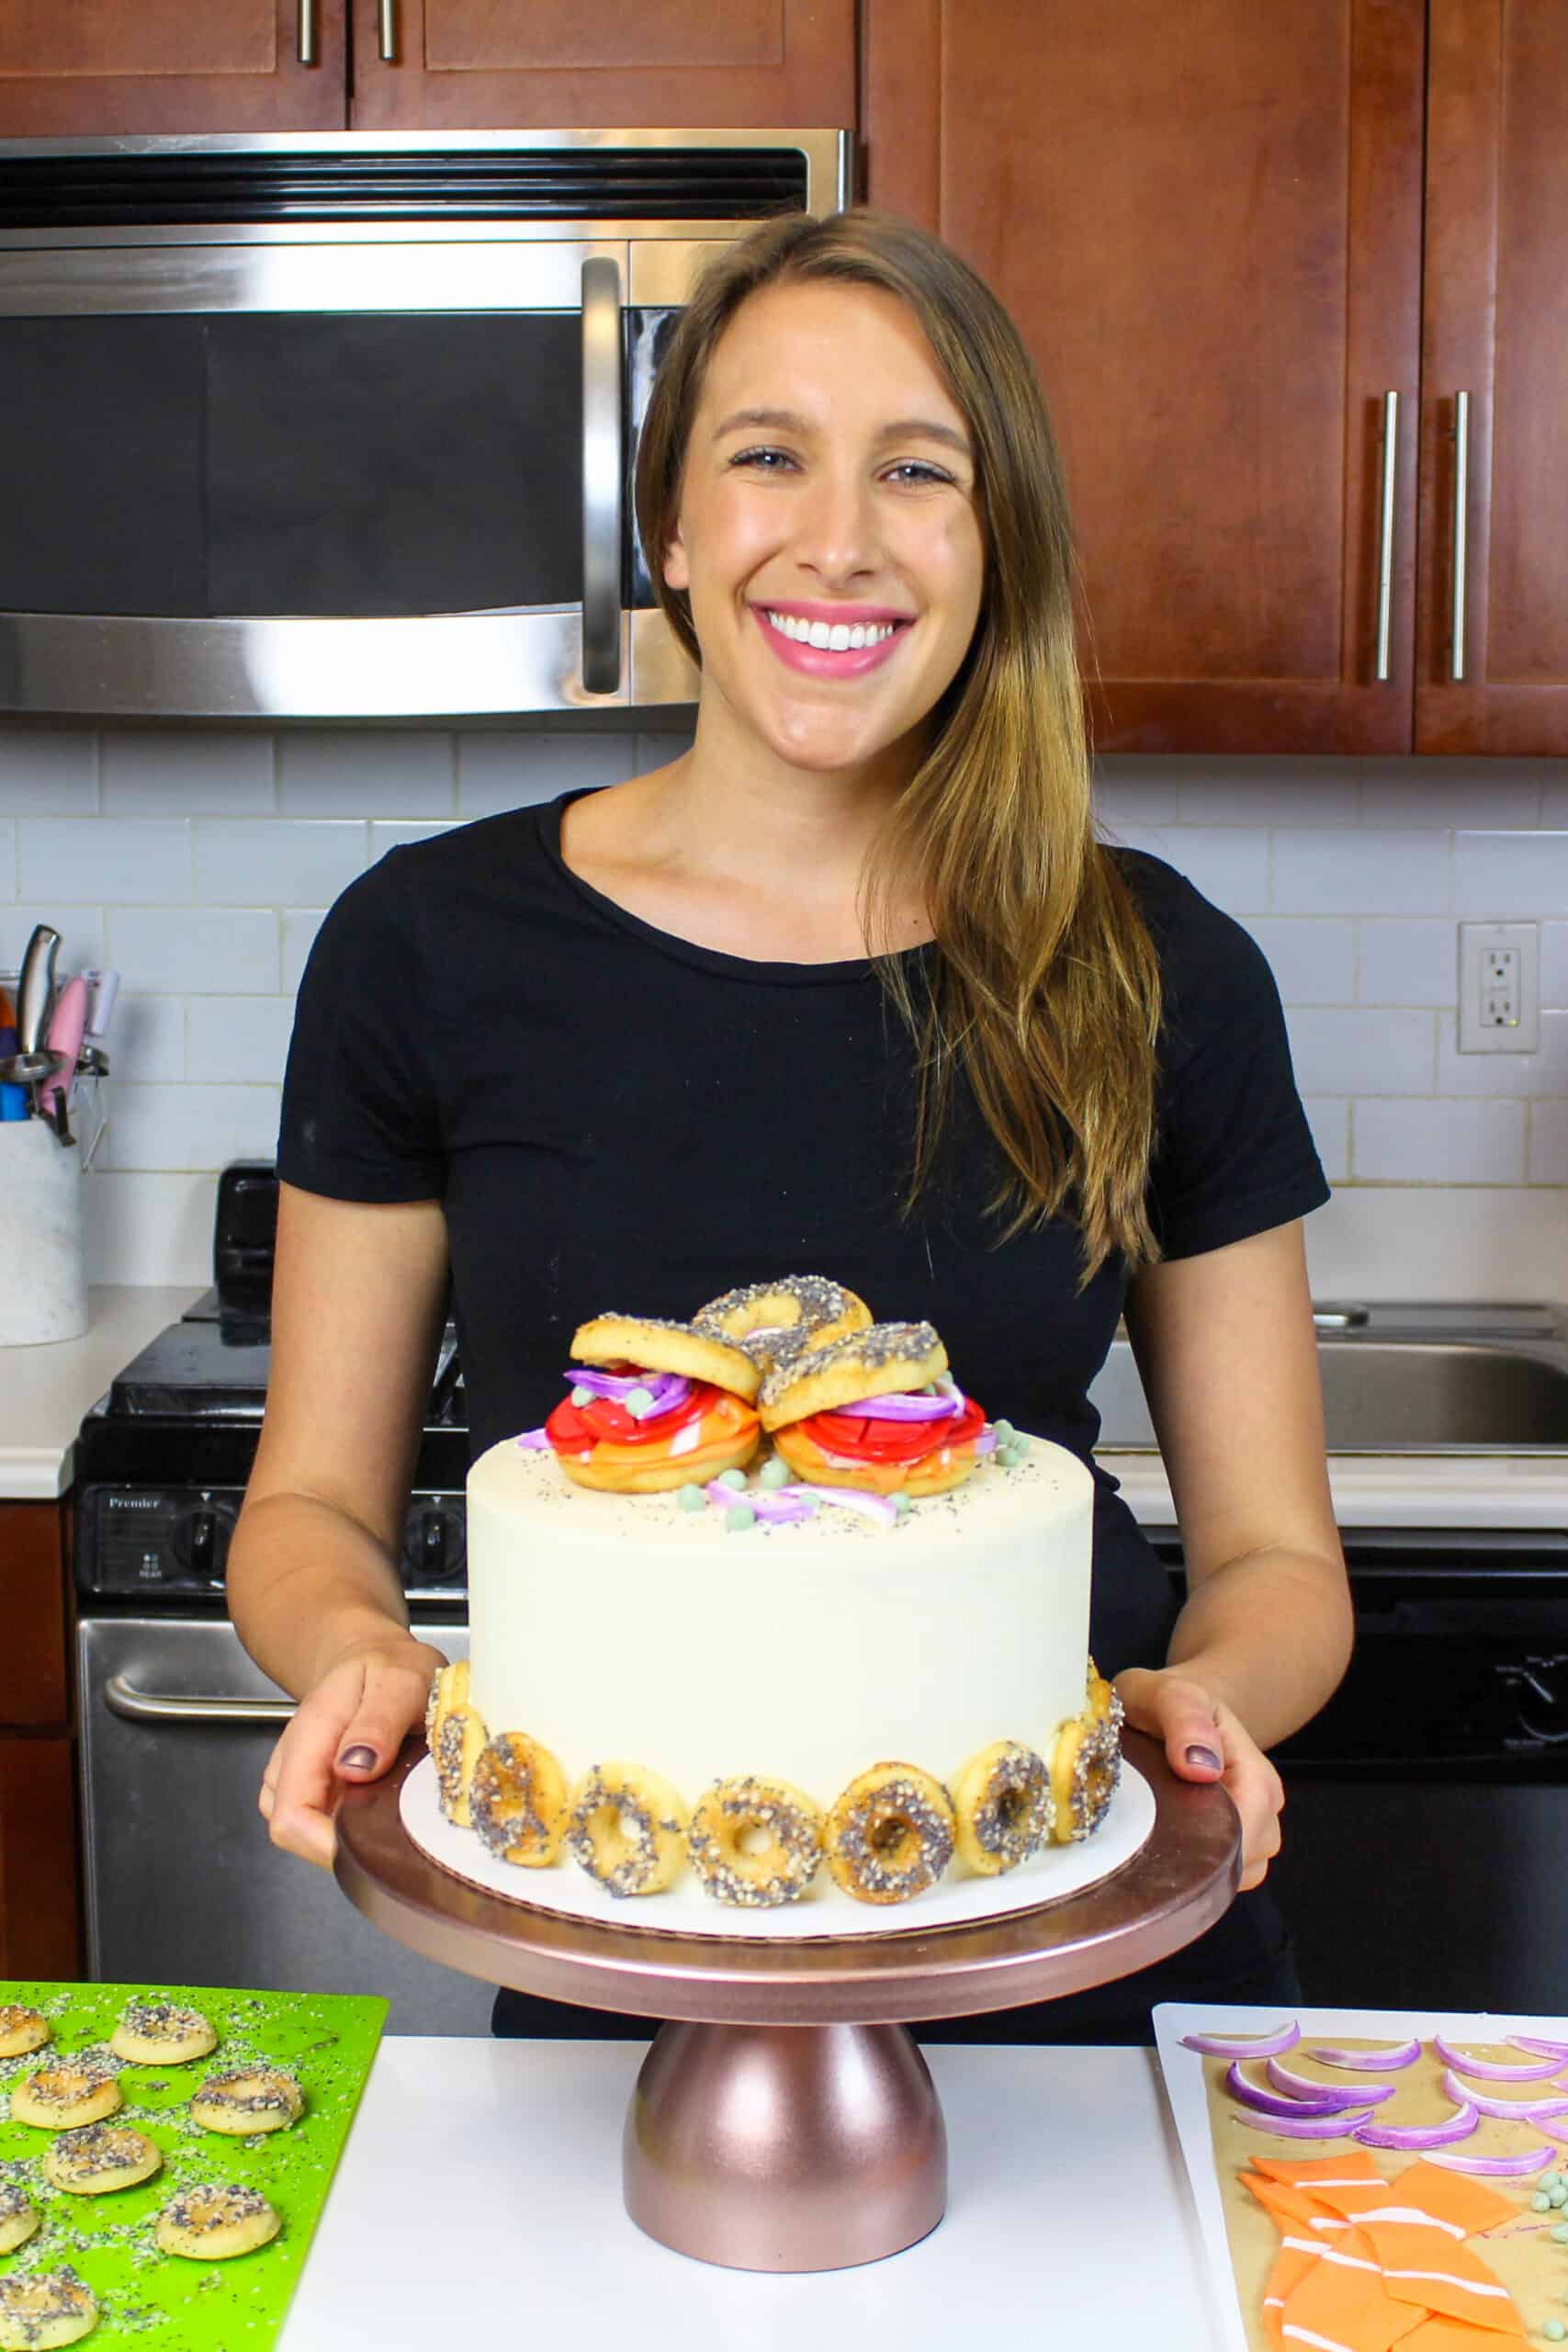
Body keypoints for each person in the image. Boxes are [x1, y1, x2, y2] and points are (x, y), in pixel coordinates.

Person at [229, 207, 1352, 2044]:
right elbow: (309, 1506)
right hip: (619, 1939)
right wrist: (354, 1649)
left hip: (1083, 1947)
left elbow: (1279, 1566)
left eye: (919, 470)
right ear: (671, 525)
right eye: (768, 456)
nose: (838, 535)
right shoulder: (425, 947)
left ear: (996, 548)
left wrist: (1206, 1693)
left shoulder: (1154, 968)